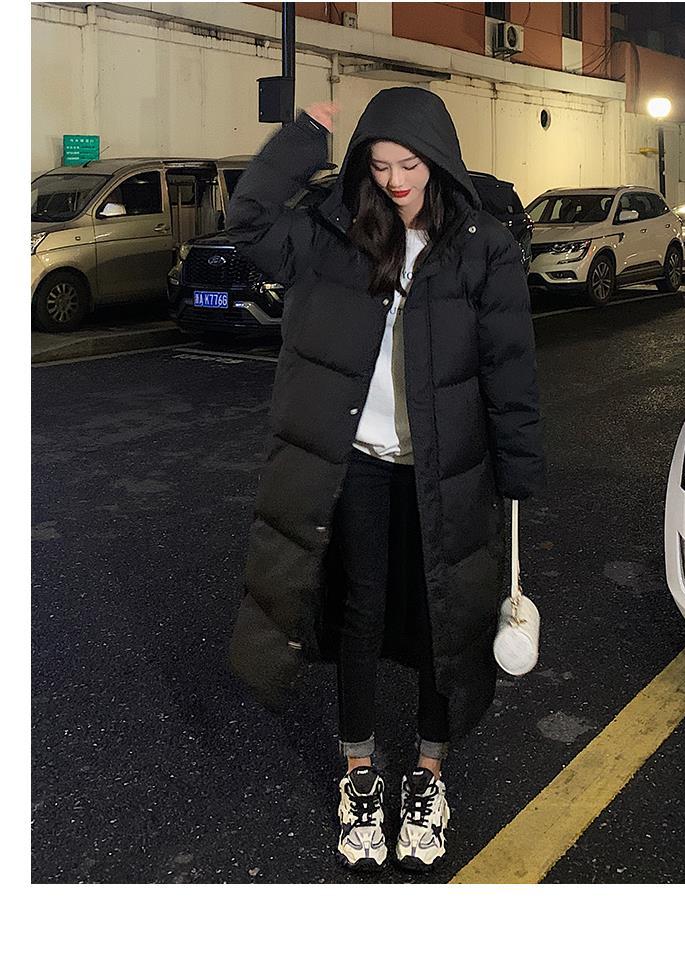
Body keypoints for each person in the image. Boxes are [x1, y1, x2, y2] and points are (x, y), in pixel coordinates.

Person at [226, 87, 545, 874]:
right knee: (360, 613)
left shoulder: (481, 246)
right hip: (362, 461)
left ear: (438, 161)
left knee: (447, 615)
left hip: (448, 466)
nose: (397, 180)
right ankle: (360, 772)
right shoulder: (336, 235)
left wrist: (518, 469)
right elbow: (251, 220)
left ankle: (429, 775)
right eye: (380, 165)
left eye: (410, 164)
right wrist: (302, 139)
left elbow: (510, 367)